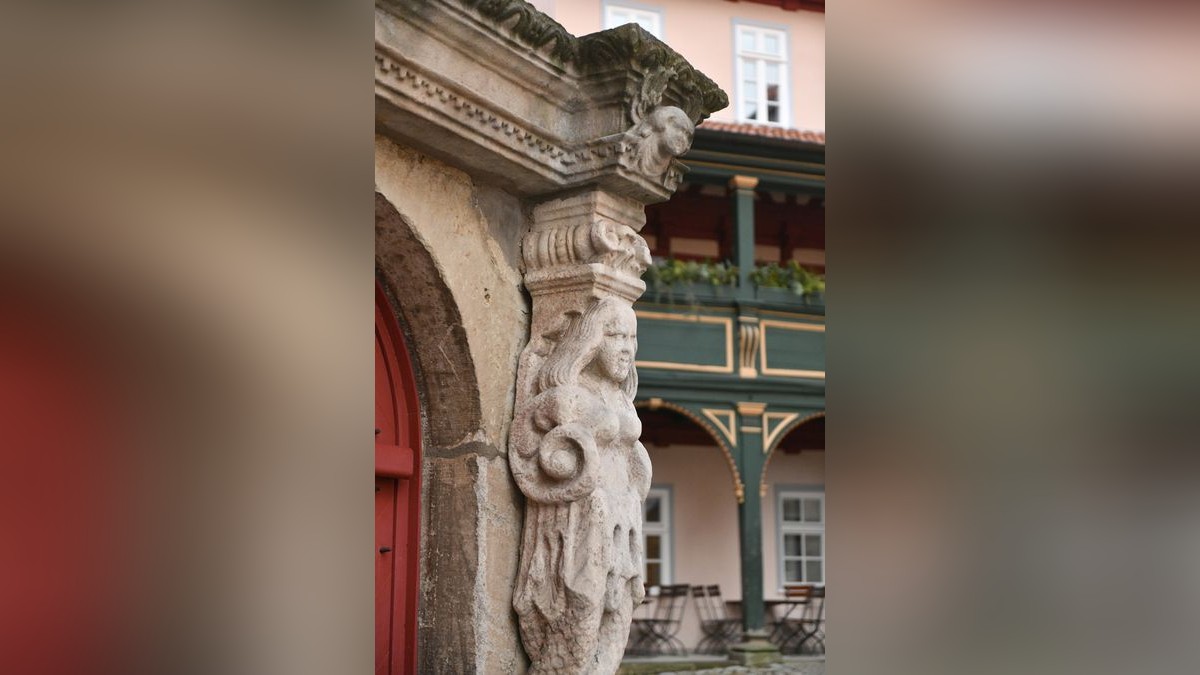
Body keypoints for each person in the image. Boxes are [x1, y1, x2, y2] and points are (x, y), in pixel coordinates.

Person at [511, 297, 652, 673]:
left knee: (620, 607)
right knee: (582, 608)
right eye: (615, 335)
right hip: (581, 523)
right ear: (590, 340)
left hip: (624, 521)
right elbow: (536, 441)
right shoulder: (569, 391)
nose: (625, 347)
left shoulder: (622, 399)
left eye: (631, 337)